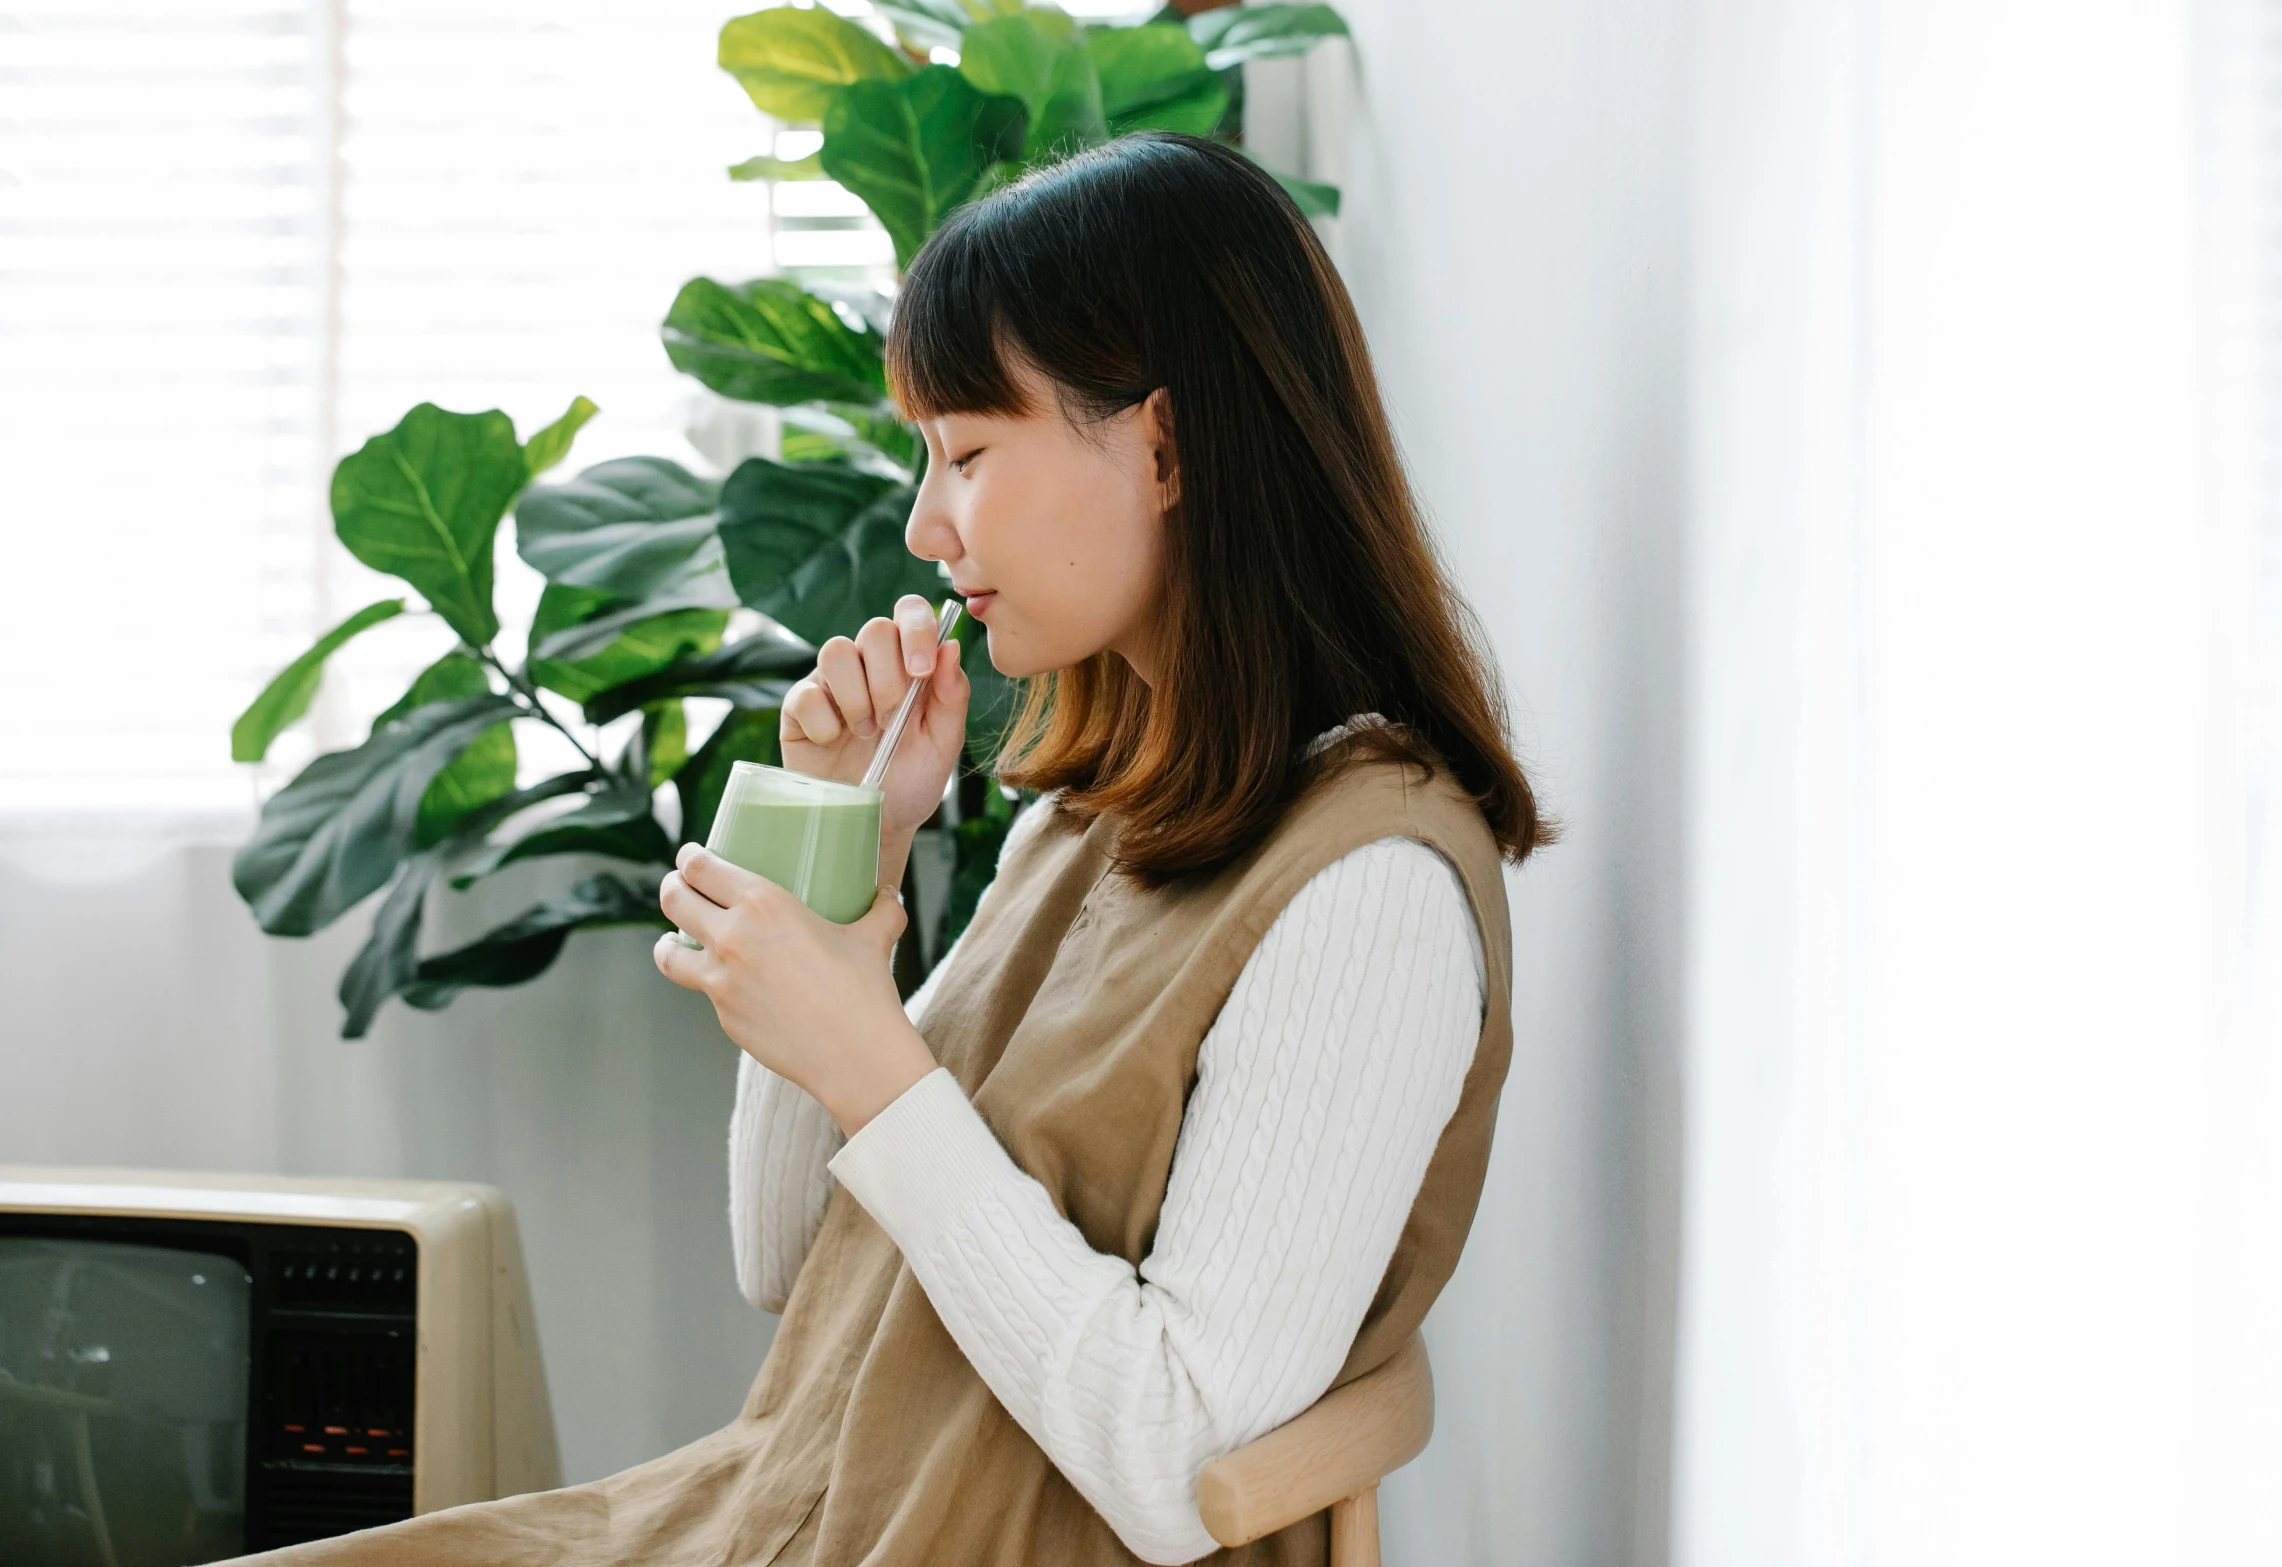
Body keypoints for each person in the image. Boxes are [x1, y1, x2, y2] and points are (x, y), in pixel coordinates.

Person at [239, 131, 1549, 1567]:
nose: (928, 525)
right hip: (802, 1504)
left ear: (1166, 446)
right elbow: (795, 1265)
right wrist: (843, 848)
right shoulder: (1088, 820)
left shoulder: (1367, 888)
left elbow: (1178, 1466)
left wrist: (874, 1056)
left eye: (969, 453)